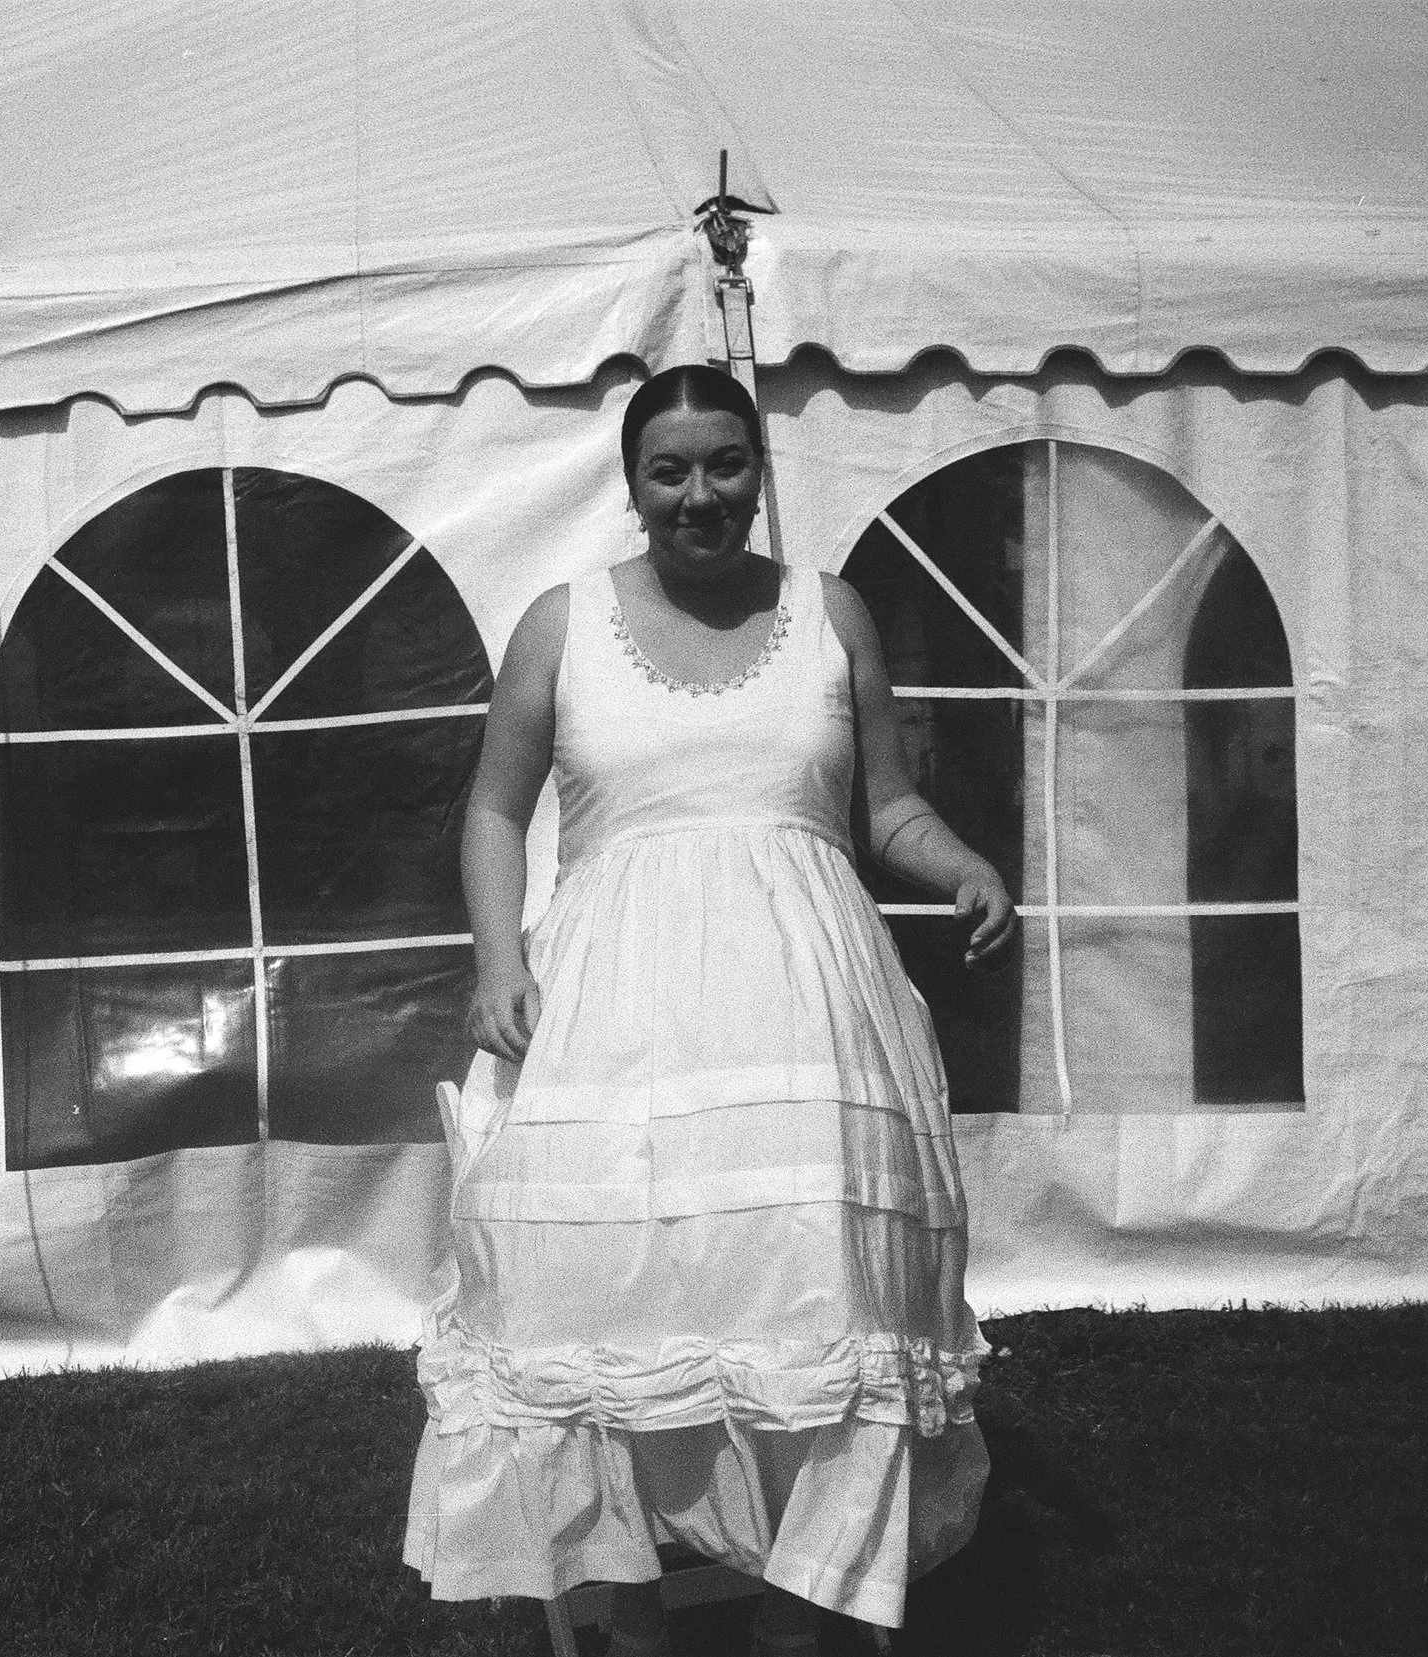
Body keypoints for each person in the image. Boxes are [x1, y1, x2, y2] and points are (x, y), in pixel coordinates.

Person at [403, 364, 1016, 1655]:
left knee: (824, 1301)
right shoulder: (561, 625)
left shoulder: (831, 614)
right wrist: (498, 959)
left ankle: (802, 1618)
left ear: (759, 471)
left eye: (726, 464)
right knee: (594, 1306)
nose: (699, 495)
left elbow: (886, 807)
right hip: (612, 1014)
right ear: (633, 485)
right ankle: (623, 1616)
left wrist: (960, 862)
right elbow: (496, 810)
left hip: (807, 1014)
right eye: (669, 470)